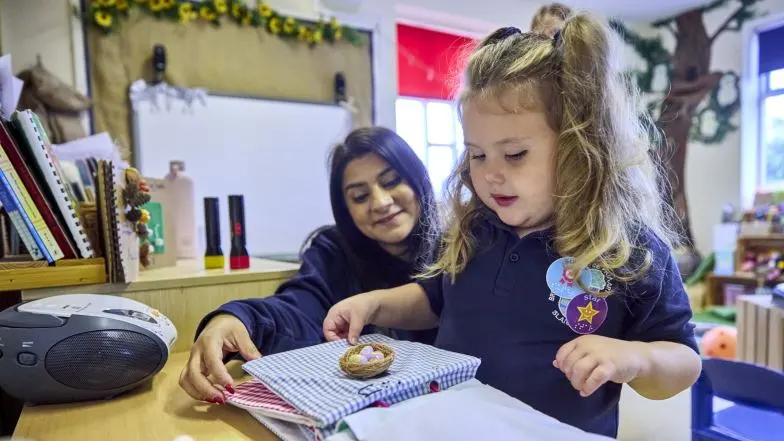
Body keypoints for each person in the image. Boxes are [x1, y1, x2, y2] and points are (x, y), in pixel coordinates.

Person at [322, 14, 702, 438]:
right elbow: (435, 299)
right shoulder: (475, 227)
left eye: (515, 154)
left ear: (579, 145)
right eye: (478, 155)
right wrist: (374, 304)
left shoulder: (627, 247)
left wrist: (635, 358)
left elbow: (683, 360)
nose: (490, 175)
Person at [179, 126, 441, 404]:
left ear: (417, 179)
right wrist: (237, 318)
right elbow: (299, 306)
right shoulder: (334, 252)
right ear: (345, 209)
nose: (380, 203)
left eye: (391, 181)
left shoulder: (459, 247)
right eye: (360, 197)